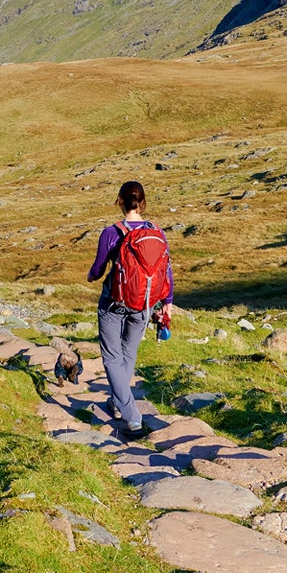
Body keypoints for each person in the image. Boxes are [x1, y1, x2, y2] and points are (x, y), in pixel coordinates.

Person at [87, 180, 174, 439]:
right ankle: (117, 401)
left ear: (120, 201)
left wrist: (92, 277)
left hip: (114, 303)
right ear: (143, 203)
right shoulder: (156, 231)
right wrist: (167, 302)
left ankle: (132, 418)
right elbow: (165, 269)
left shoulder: (111, 232)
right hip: (146, 303)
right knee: (128, 354)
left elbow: (99, 267)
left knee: (113, 358)